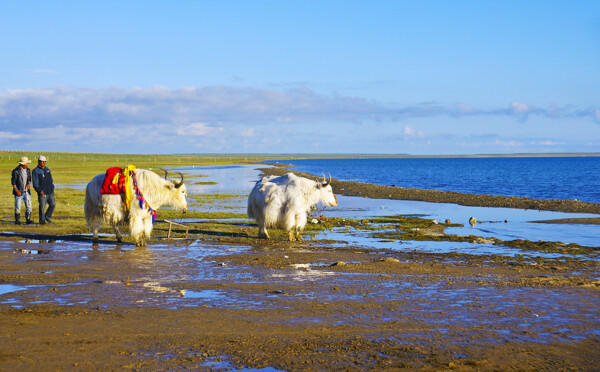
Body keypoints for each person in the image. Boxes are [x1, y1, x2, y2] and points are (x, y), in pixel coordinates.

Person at [32, 155, 56, 225]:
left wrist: (52, 187)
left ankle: (47, 217)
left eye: (44, 162)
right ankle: (42, 220)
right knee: (42, 207)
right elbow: (35, 183)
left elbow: (51, 179)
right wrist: (39, 191)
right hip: (42, 192)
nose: (43, 163)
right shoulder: (35, 171)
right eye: (41, 162)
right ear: (38, 162)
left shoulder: (47, 169)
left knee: (53, 205)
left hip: (50, 191)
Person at [11, 156, 34, 225]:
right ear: (22, 164)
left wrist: (29, 184)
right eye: (25, 164)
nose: (27, 165)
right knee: (18, 207)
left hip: (26, 191)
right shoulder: (16, 171)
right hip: (19, 191)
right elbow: (13, 182)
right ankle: (17, 220)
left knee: (29, 206)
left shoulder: (28, 170)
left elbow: (29, 179)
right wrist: (16, 190)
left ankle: (28, 219)